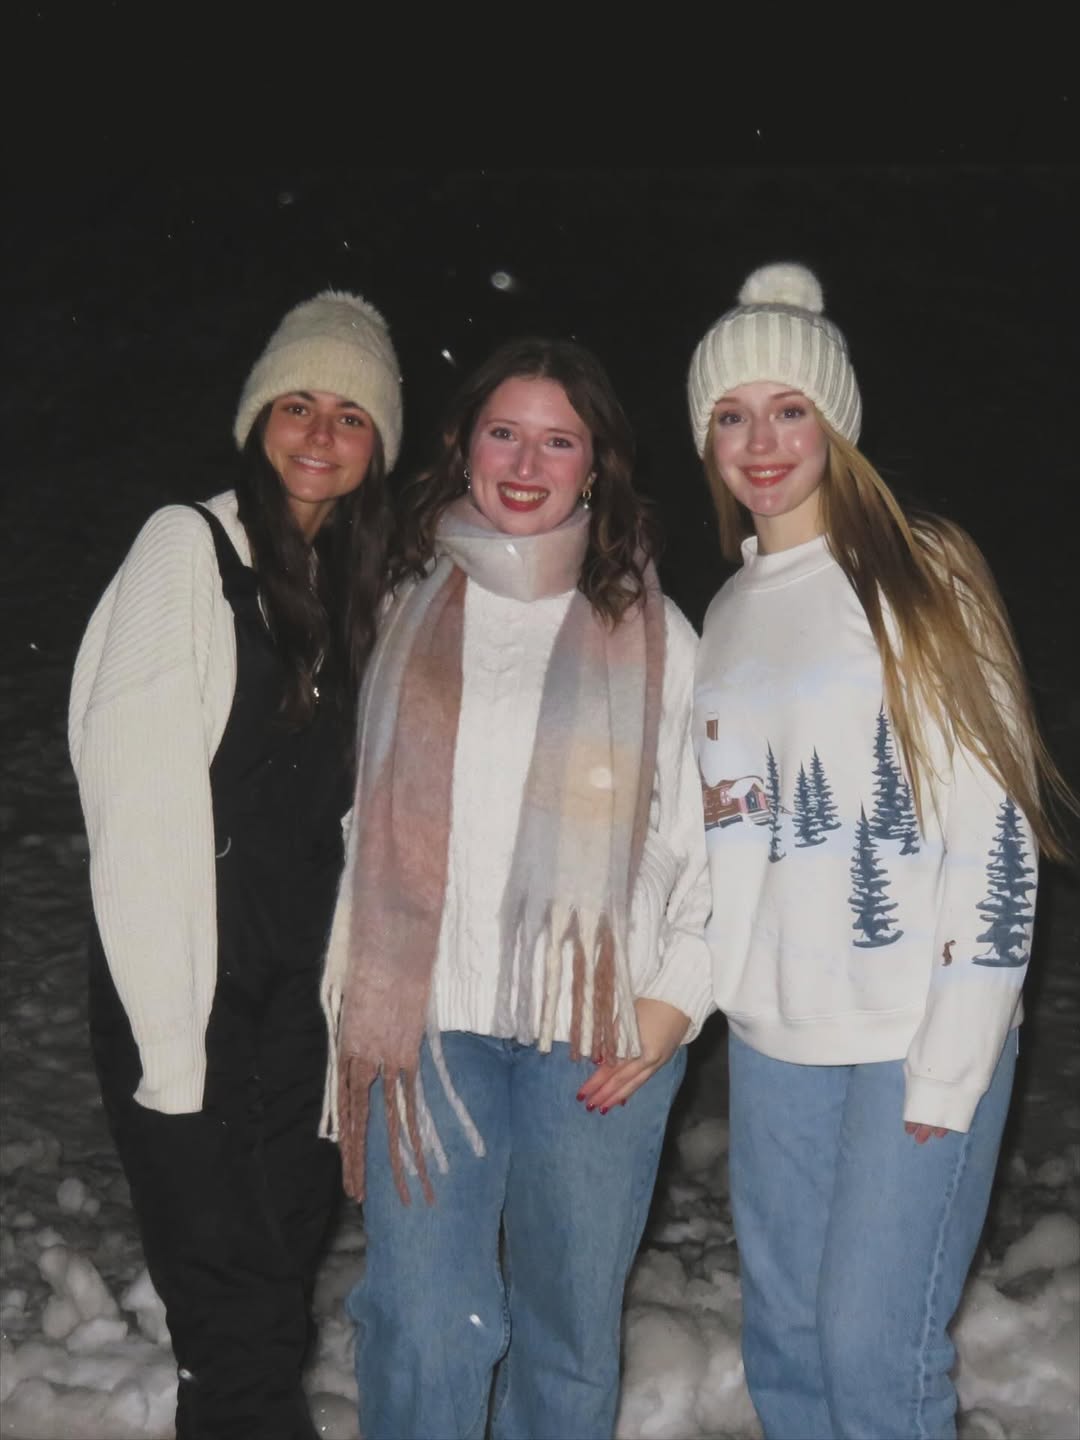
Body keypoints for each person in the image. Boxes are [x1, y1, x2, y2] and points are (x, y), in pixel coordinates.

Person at [687, 262, 1076, 1440]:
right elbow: (728, 832)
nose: (761, 442)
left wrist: (957, 1051)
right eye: (731, 415)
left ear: (837, 424)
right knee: (788, 1346)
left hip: (913, 1030)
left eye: (789, 409)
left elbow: (994, 826)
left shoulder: (922, 572)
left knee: (872, 1350)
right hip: (776, 1044)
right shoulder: (727, 613)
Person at [318, 335, 713, 1439]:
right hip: (426, 1023)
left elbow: (713, 835)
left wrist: (676, 997)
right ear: (464, 446)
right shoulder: (399, 603)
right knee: (423, 1322)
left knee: (566, 1328)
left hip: (596, 1033)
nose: (527, 463)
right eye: (505, 433)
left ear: (597, 465)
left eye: (559, 441)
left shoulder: (657, 633)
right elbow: (352, 811)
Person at [68, 289, 402, 1439]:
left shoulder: (360, 583)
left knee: (272, 1285)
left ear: (378, 446)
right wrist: (171, 1045)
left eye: (351, 415)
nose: (320, 433)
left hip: (302, 997)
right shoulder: (187, 550)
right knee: (236, 1313)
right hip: (186, 978)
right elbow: (132, 800)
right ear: (257, 417)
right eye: (298, 404)